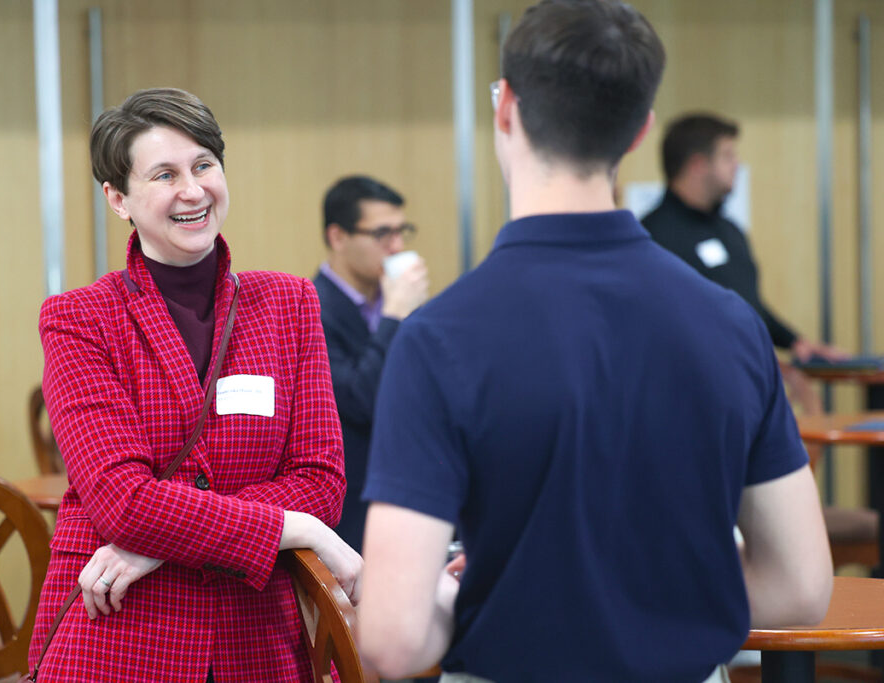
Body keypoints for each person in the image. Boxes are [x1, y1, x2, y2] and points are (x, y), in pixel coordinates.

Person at [357, 2, 833, 681]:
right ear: (639, 131)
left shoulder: (438, 338)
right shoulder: (732, 324)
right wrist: (659, 602)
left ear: (505, 108)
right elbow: (801, 588)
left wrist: (477, 590)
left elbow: (394, 641)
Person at [28, 87, 361, 682]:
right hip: (120, 634)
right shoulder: (79, 319)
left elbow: (321, 482)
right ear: (118, 198)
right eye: (164, 175)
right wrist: (296, 527)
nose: (192, 190)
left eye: (204, 165)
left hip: (259, 638)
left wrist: (158, 541)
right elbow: (122, 502)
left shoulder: (288, 303)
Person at [642, 113, 845, 363]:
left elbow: (748, 306)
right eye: (728, 156)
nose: (736, 164)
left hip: (742, 375)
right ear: (697, 164)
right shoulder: (651, 238)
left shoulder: (729, 230)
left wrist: (795, 343)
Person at [313, 175, 429, 551]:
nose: (397, 246)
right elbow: (360, 399)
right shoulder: (311, 308)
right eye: (382, 234)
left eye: (401, 231)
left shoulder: (401, 302)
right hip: (352, 509)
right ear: (337, 237)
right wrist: (395, 315)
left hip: (410, 493)